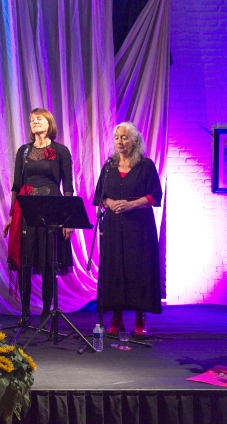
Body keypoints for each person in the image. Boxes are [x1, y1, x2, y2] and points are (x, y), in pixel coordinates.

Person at [3, 108, 73, 327]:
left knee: (49, 262)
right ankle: (25, 313)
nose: (34, 121)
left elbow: (68, 187)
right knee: (25, 261)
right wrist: (12, 215)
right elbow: (16, 187)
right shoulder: (23, 151)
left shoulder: (61, 151)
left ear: (49, 122)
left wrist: (68, 219)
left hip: (52, 208)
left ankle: (45, 313)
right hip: (27, 210)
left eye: (39, 118)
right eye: (32, 119)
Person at [93, 122, 162, 336]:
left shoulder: (146, 165)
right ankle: (116, 317)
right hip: (113, 225)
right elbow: (99, 196)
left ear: (135, 140)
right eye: (117, 138)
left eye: (124, 137)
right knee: (115, 268)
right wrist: (110, 202)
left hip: (139, 226)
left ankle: (140, 317)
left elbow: (155, 196)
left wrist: (132, 204)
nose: (120, 141)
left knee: (138, 269)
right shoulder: (109, 166)